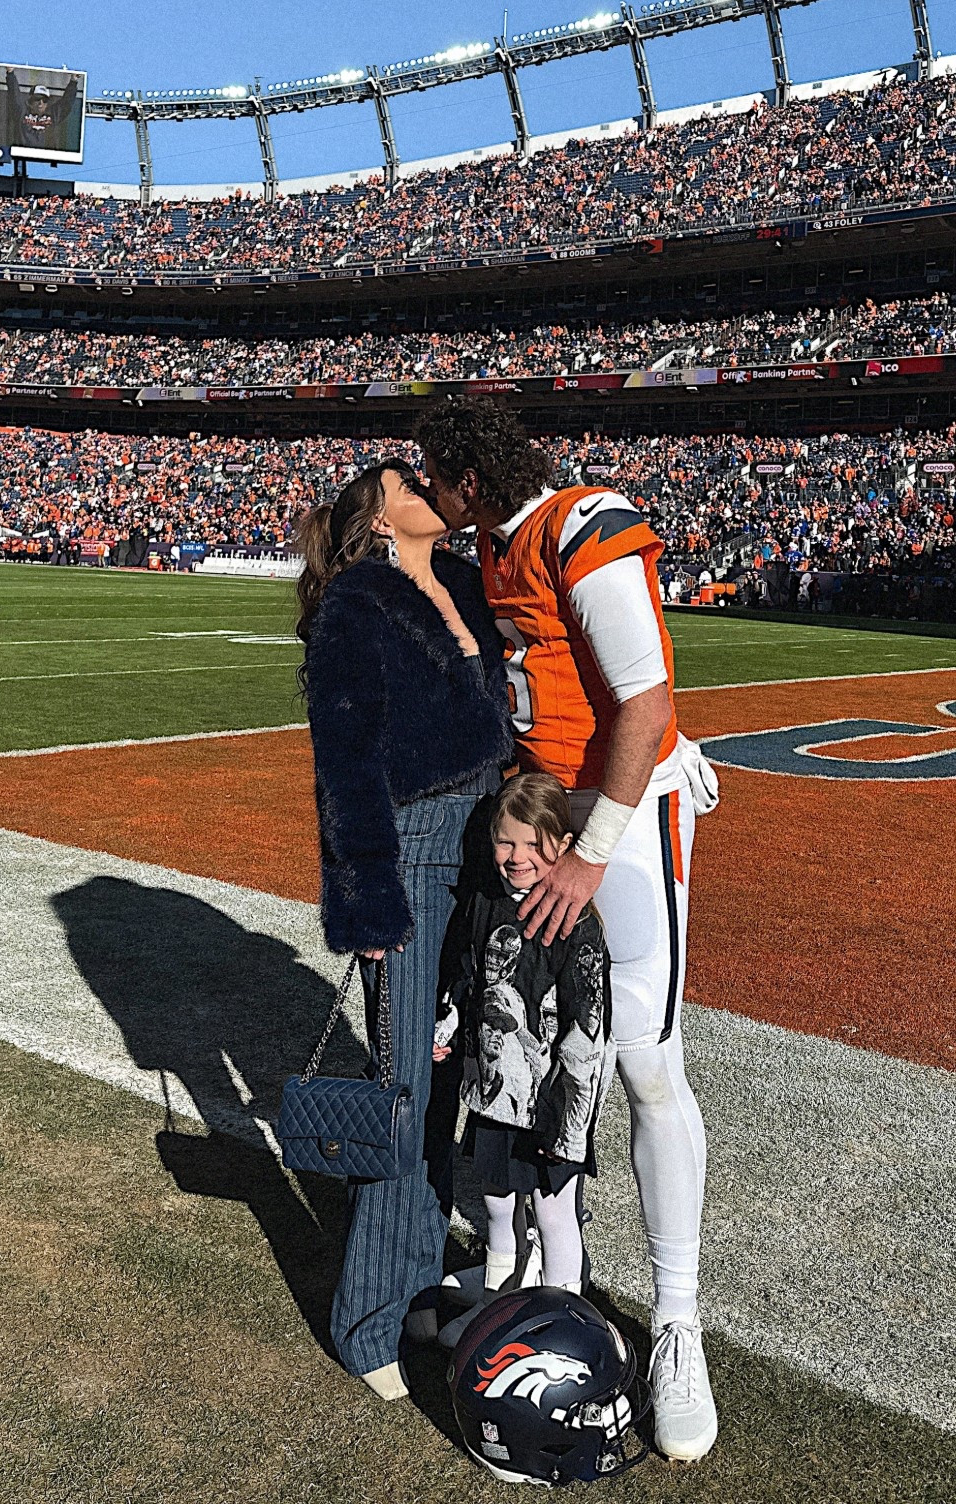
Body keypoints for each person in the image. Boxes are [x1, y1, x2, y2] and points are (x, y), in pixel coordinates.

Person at [418, 399, 720, 1464]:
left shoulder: (581, 522)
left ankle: (676, 1322)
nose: (435, 500)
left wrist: (589, 849)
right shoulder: (506, 548)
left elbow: (645, 702)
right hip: (548, 818)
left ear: (473, 473)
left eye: (437, 478)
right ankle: (541, 1274)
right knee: (544, 1057)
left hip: (621, 822)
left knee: (644, 1058)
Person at [296, 458, 510, 1403]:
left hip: (484, 845)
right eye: (406, 480)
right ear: (380, 517)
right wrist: (366, 900)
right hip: (414, 848)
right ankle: (368, 1319)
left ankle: (420, 1284)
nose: (428, 486)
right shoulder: (357, 607)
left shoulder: (466, 580)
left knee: (449, 1078)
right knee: (401, 1082)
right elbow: (342, 761)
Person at [432, 772, 613, 1340]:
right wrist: (453, 1022)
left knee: (555, 1214)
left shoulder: (576, 923)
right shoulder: (486, 901)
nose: (518, 857)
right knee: (495, 1205)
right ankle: (496, 1308)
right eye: (506, 842)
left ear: (562, 845)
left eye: (535, 844)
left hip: (551, 1105)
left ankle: (563, 1324)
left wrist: (570, 1119)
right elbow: (473, 978)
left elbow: (588, 1032)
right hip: (494, 1095)